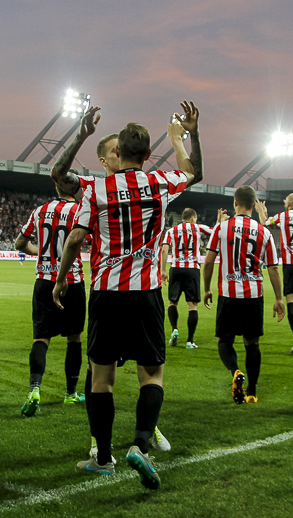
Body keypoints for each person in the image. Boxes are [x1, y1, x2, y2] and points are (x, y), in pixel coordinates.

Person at [50, 100, 203, 489]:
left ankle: (102, 457)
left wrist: (63, 277)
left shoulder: (97, 190)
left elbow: (76, 235)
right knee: (151, 374)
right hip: (147, 291)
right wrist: (186, 135)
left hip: (105, 292)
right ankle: (141, 444)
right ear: (149, 155)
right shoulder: (160, 183)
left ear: (117, 152)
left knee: (101, 380)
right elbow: (194, 172)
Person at [203, 186, 285, 404]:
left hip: (229, 293)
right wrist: (279, 298)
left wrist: (206, 289)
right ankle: (252, 392)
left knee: (224, 340)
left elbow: (209, 261)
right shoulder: (265, 232)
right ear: (254, 203)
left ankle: (235, 372)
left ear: (235, 202)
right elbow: (274, 268)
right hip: (254, 295)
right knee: (252, 343)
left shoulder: (221, 229)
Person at [14, 183, 87, 417]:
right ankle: (70, 393)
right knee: (74, 338)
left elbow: (20, 243)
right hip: (71, 280)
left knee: (41, 338)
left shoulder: (39, 210)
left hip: (44, 280)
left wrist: (42, 253)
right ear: (75, 188)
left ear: (57, 186)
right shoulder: (80, 210)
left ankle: (35, 389)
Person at [255, 193, 293, 354]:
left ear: (287, 204)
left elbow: (265, 222)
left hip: (290, 263)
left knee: (291, 300)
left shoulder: (282, 216)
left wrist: (262, 210)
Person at [161, 207, 227, 349]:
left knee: (172, 302)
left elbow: (164, 249)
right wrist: (219, 221)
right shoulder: (198, 228)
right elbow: (215, 233)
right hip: (192, 269)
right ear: (193, 218)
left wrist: (162, 270)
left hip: (176, 268)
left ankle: (174, 329)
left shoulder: (171, 231)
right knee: (193, 306)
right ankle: (190, 341)